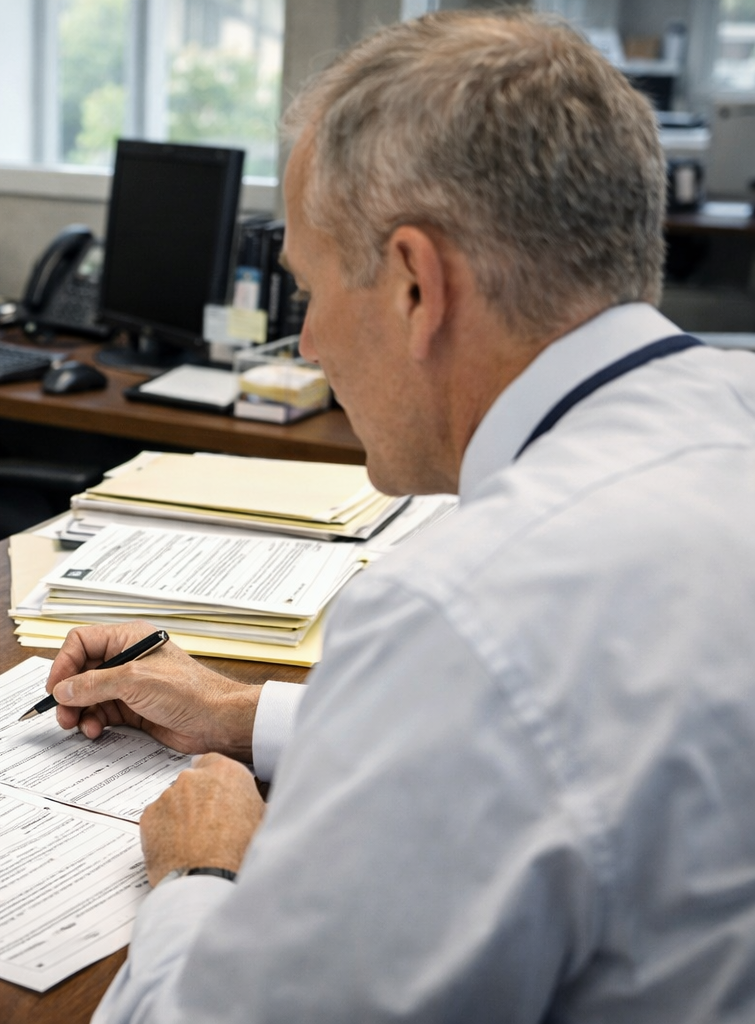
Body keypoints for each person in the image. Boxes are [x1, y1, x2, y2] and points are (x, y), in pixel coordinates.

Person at [45, 11, 755, 1020]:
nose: (309, 345)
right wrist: (241, 714)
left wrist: (202, 871)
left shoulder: (465, 609)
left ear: (418, 285)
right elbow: (586, 745)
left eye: (309, 290)